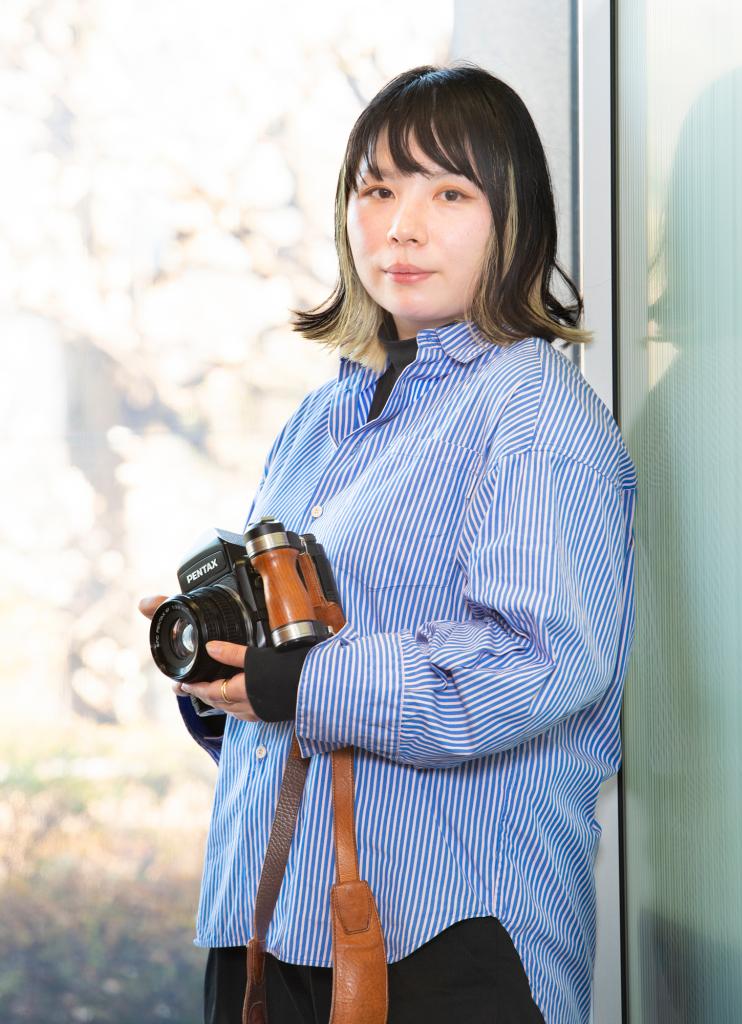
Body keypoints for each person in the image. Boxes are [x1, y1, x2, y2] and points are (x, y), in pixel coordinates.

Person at [139, 62, 637, 1024]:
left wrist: (302, 683)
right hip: (269, 912)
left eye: (449, 192)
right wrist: (225, 676)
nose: (402, 225)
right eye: (377, 189)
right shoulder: (325, 416)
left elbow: (538, 668)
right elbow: (295, 659)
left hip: (446, 931)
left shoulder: (535, 414)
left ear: (516, 220)